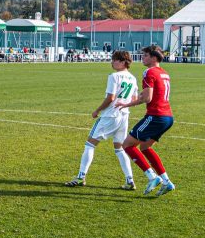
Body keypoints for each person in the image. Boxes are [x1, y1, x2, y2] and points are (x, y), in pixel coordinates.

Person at [65, 50, 139, 189]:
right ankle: (130, 180)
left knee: (90, 144)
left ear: (123, 62)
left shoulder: (114, 76)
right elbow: (134, 99)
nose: (112, 62)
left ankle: (81, 177)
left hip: (110, 116)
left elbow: (110, 98)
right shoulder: (133, 78)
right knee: (119, 148)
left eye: (115, 60)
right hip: (124, 117)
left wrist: (97, 110)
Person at [116, 45, 176, 197]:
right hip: (167, 117)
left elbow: (147, 98)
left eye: (145, 55)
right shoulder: (164, 73)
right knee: (145, 147)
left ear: (154, 57)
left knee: (127, 144)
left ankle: (152, 177)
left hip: (155, 116)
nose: (143, 57)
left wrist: (127, 104)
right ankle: (167, 181)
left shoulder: (149, 72)